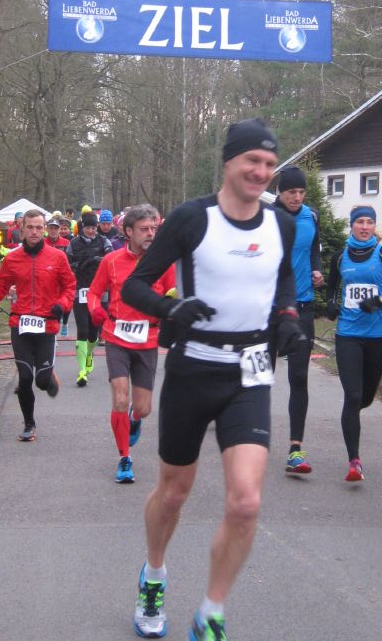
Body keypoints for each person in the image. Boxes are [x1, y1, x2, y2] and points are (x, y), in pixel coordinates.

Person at [121, 118, 303, 640]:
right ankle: (154, 574)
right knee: (174, 492)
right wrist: (170, 308)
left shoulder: (281, 225)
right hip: (194, 368)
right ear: (228, 162)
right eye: (252, 161)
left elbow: (282, 278)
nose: (261, 172)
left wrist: (287, 318)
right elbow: (135, 286)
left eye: (269, 164)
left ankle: (211, 612)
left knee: (246, 501)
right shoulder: (191, 218)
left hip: (250, 372)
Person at [87, 204, 175, 484]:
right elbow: (94, 292)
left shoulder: (164, 263)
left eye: (153, 229)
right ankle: (124, 458)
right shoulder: (111, 261)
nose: (151, 234)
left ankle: (135, 419)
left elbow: (173, 296)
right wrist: (96, 311)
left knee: (143, 408)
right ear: (128, 232)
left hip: (148, 340)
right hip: (117, 336)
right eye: (144, 229)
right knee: (120, 398)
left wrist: (170, 314)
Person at [325, 205, 382, 481]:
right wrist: (330, 304)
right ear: (351, 225)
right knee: (352, 396)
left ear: (374, 226)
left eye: (369, 222)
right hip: (348, 334)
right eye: (360, 222)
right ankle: (354, 461)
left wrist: (381, 300)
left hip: (378, 336)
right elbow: (332, 287)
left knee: (365, 398)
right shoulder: (340, 257)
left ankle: (352, 414)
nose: (364, 227)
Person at [0, 209, 75, 441]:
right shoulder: (13, 258)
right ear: (22, 229)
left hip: (47, 324)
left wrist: (62, 305)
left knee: (41, 381)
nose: (34, 232)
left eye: (38, 227)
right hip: (20, 323)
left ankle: (48, 376)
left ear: (44, 230)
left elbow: (69, 287)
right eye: (30, 227)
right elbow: (0, 284)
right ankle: (29, 424)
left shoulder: (57, 257)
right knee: (24, 377)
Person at [272, 164, 324, 474]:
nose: (297, 197)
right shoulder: (266, 217)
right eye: (292, 191)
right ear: (280, 191)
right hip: (270, 308)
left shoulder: (311, 216)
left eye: (302, 192)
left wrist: (317, 269)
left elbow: (314, 249)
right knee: (260, 377)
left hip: (303, 304)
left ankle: (295, 449)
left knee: (299, 377)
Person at [66, 210, 113, 386]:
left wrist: (100, 259)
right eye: (88, 228)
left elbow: (111, 258)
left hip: (100, 290)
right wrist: (80, 264)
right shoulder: (73, 243)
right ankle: (82, 371)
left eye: (94, 228)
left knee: (94, 332)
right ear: (82, 228)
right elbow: (67, 263)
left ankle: (89, 354)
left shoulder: (104, 241)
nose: (92, 231)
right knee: (83, 329)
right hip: (80, 289)